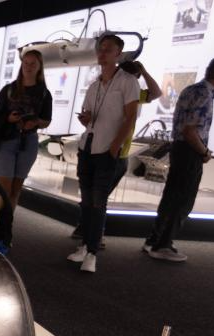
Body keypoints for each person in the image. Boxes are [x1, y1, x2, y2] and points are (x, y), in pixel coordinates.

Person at [144, 56, 214, 262]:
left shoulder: (191, 89)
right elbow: (190, 131)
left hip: (179, 149)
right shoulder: (205, 94)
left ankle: (154, 240)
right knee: (182, 201)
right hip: (189, 151)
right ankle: (163, 246)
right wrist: (204, 152)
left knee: (171, 197)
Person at [67, 34, 139, 274]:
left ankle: (92, 253)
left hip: (107, 151)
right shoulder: (94, 85)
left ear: (119, 53)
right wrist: (85, 118)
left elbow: (131, 117)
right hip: (87, 147)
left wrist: (115, 145)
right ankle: (85, 245)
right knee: (87, 202)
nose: (103, 53)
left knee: (98, 203)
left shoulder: (128, 81)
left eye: (108, 49)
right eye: (101, 49)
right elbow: (88, 118)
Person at [70, 60, 162, 241]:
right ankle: (89, 232)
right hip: (104, 150)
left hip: (117, 152)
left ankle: (91, 234)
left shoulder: (133, 92)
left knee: (98, 197)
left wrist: (143, 72)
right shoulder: (106, 89)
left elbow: (156, 93)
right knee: (94, 196)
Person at [0, 50, 52, 209]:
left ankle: (6, 222)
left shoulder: (44, 93)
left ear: (39, 67)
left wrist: (35, 122)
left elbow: (46, 121)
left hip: (28, 142)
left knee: (15, 190)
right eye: (26, 63)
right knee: (3, 189)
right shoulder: (9, 90)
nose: (28, 67)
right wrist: (9, 118)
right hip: (5, 140)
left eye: (33, 64)